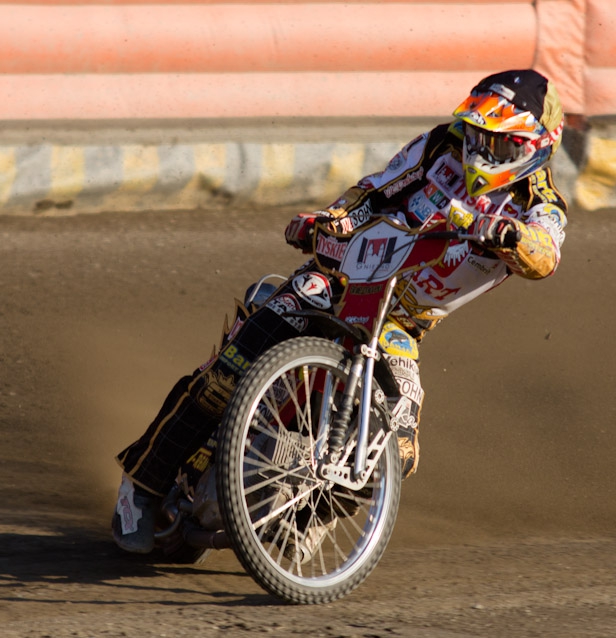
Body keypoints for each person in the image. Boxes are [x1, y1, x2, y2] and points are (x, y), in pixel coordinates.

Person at [112, 69, 569, 554]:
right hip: (342, 278)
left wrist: (510, 236)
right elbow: (374, 189)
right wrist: (328, 221)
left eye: (496, 143)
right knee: (231, 369)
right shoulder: (441, 144)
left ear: (532, 144)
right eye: (477, 134)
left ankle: (302, 521)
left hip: (399, 325)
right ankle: (141, 486)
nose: (478, 150)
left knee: (400, 444)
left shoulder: (539, 203)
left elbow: (546, 252)